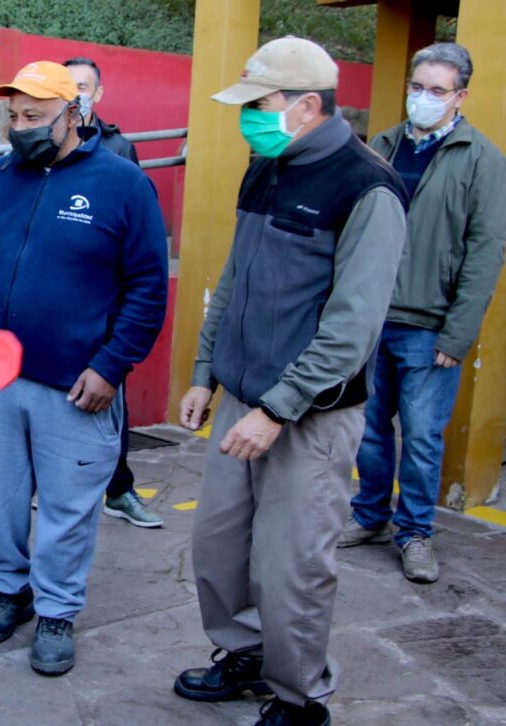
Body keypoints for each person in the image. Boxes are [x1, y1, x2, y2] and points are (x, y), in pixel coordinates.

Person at [172, 37, 408, 726]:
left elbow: (352, 328)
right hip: (242, 401)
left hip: (308, 419)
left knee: (292, 566)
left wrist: (275, 410)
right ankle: (245, 653)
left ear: (308, 105)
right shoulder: (266, 166)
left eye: (259, 105)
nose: (247, 119)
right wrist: (204, 374)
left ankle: (301, 697)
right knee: (217, 549)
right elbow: (236, 280)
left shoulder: (367, 188)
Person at [0, 61, 167, 676]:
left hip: (75, 383)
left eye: (34, 116)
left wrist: (112, 366)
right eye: (13, 116)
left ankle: (59, 612)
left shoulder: (123, 185)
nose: (20, 127)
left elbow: (147, 287)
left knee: (69, 505)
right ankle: (11, 592)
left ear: (74, 114)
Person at [339, 42, 506, 584]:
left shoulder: (482, 160)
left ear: (460, 96)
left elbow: (486, 252)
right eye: (418, 87)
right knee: (368, 430)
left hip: (429, 326)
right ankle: (370, 517)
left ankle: (415, 534)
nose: (424, 98)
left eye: (437, 90)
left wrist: (457, 335)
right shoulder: (382, 144)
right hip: (371, 317)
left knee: (422, 436)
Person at [63, 56, 162, 529]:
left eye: (85, 86)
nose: (78, 94)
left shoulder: (121, 149)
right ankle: (59, 487)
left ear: (98, 94)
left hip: (106, 306)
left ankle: (118, 490)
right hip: (60, 305)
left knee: (108, 400)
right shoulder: (42, 147)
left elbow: (139, 239)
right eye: (69, 86)